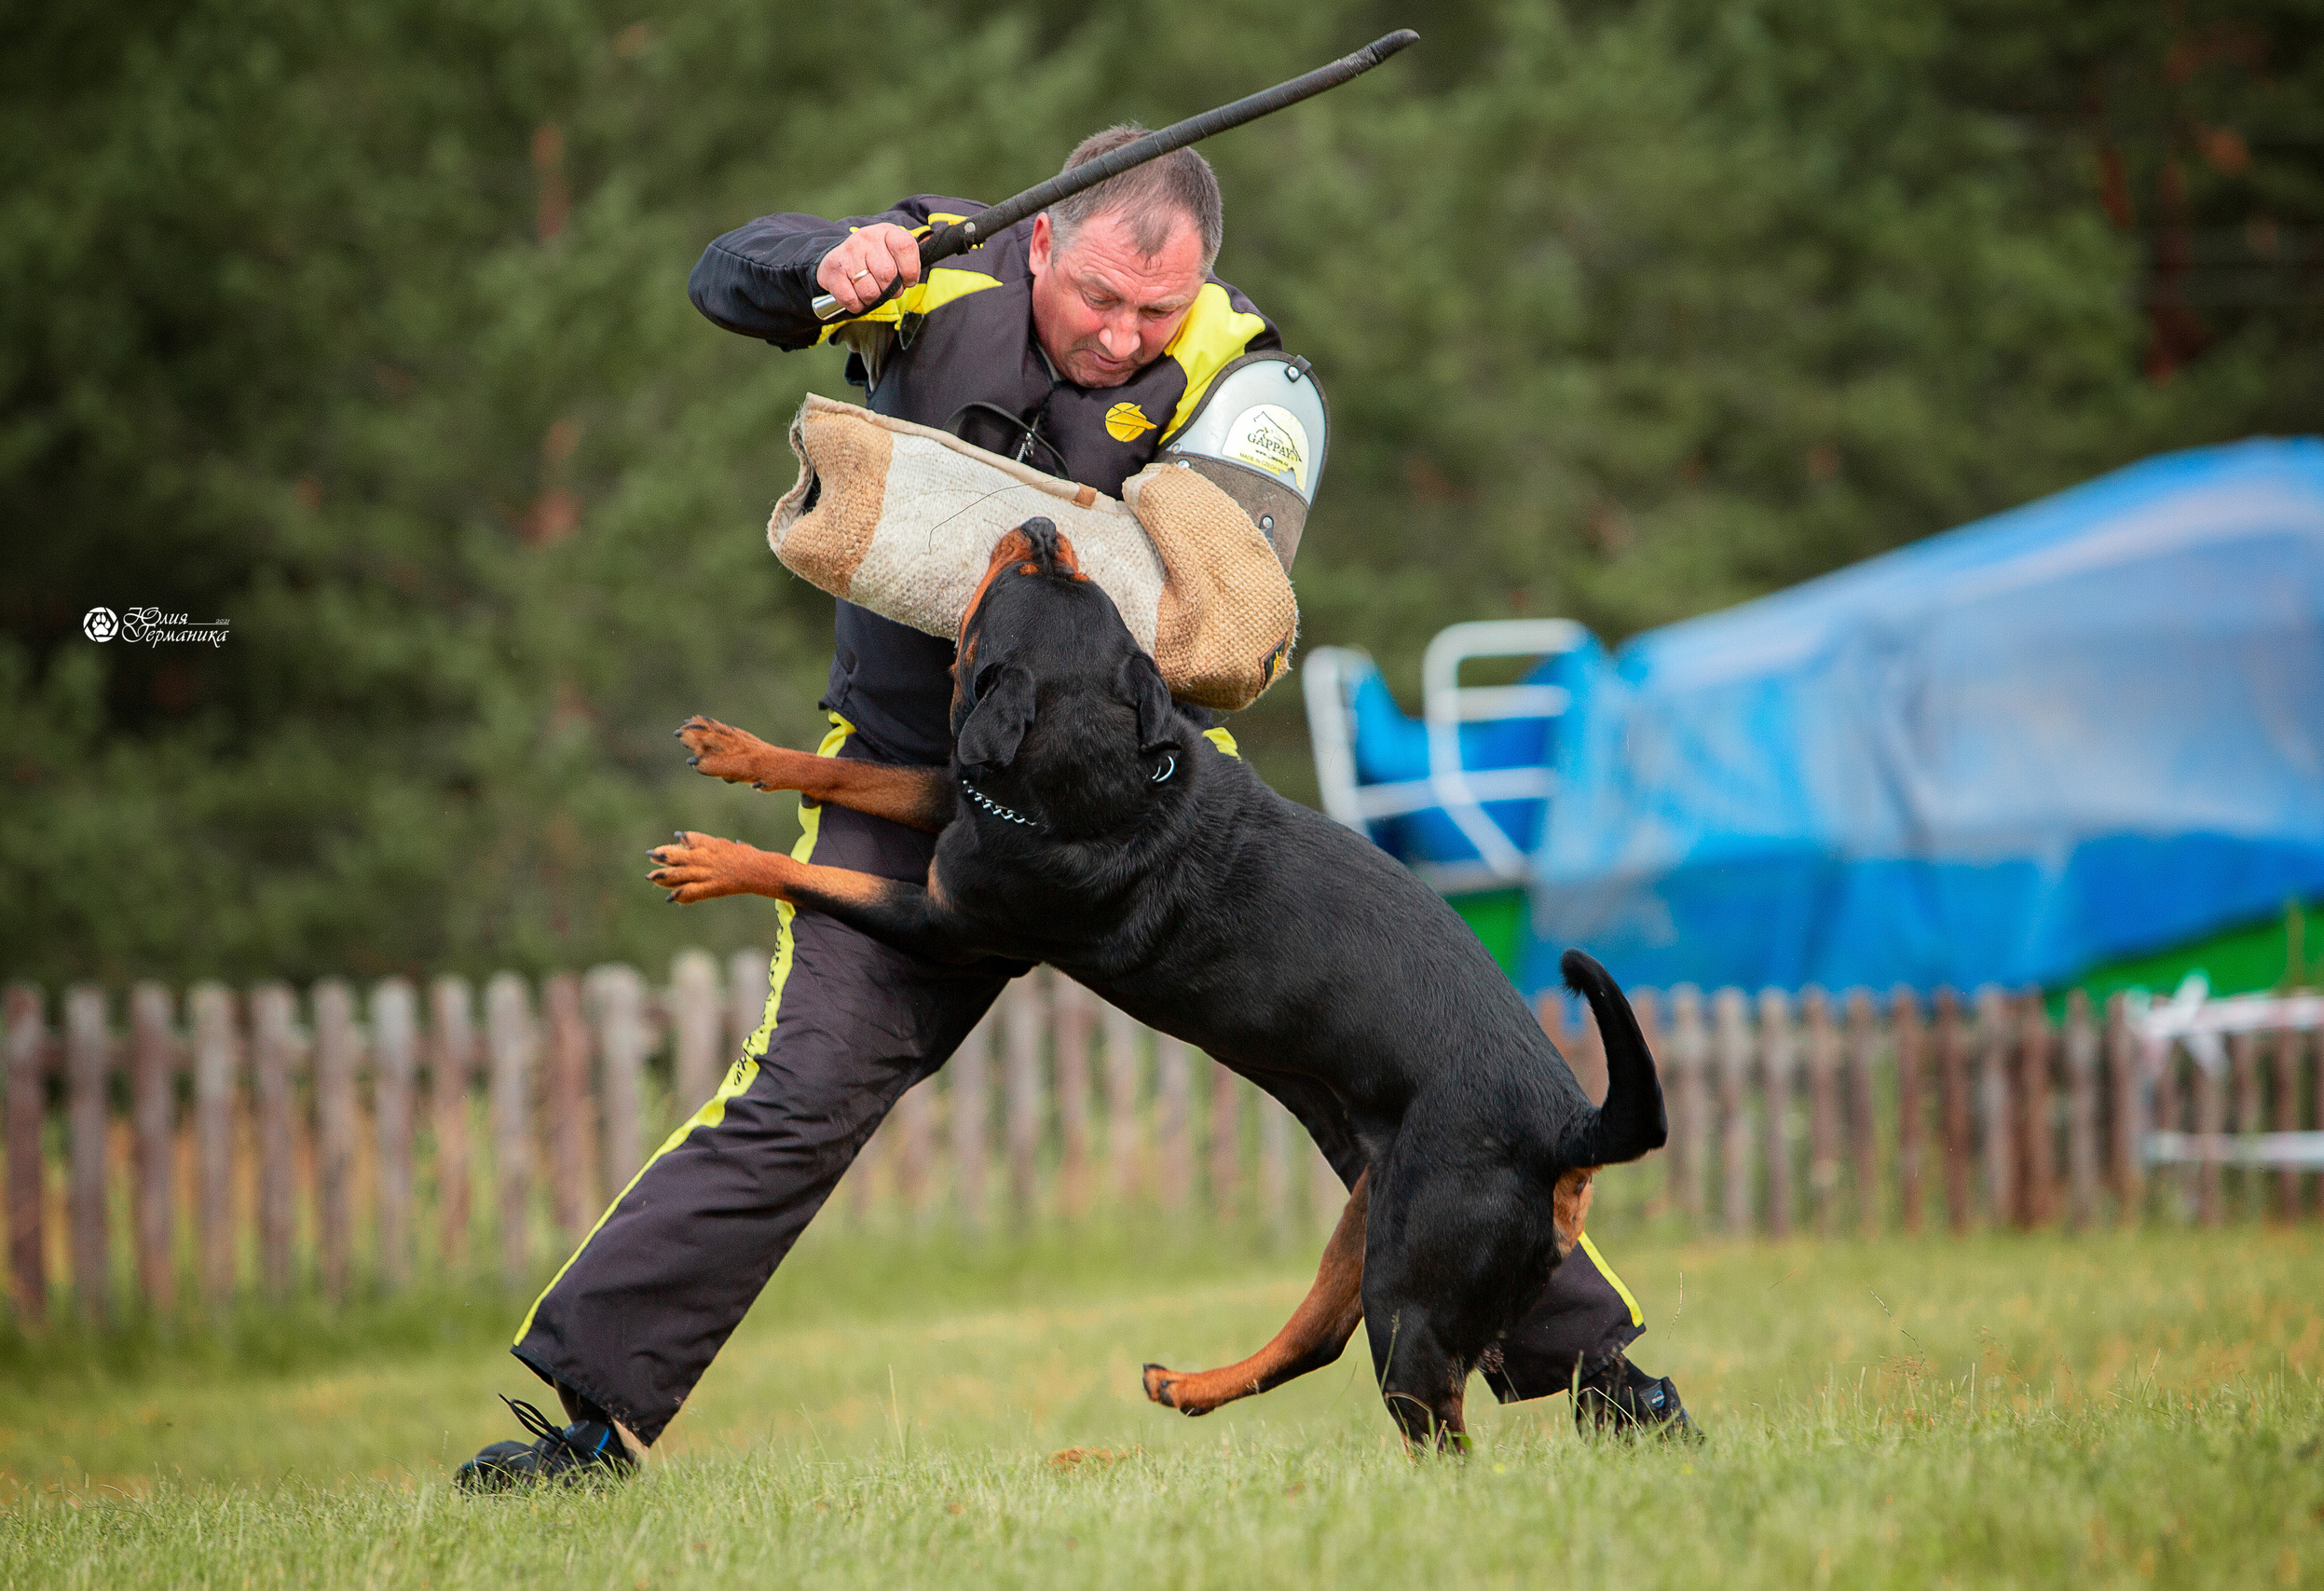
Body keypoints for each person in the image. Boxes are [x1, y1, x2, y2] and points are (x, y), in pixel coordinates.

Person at [458, 127, 1690, 1491]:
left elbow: (1227, 633)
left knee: (1403, 1092)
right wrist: (827, 262)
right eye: (1099, 295)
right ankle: (586, 1426)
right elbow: (725, 278)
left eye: (1157, 308)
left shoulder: (1251, 374)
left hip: (1138, 829)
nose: (1121, 333)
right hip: (906, 774)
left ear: (1204, 280)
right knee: (802, 1092)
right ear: (1041, 239)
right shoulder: (944, 264)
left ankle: (1612, 1389)